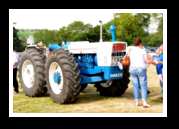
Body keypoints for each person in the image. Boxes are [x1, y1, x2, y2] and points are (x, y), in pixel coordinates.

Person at [126, 37, 153, 108]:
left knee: (135, 85)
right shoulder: (143, 50)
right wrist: (152, 62)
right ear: (140, 43)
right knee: (143, 86)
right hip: (141, 68)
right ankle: (144, 102)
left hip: (132, 69)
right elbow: (146, 60)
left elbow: (127, 57)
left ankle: (137, 102)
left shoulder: (130, 49)